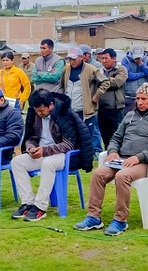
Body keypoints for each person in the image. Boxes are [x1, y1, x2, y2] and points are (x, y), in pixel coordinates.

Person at [74, 83, 148, 235]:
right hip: (121, 159)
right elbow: (116, 138)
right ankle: (93, 217)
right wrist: (113, 151)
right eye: (138, 98)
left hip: (145, 162)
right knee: (98, 174)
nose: (139, 102)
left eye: (144, 99)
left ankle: (120, 220)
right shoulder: (129, 115)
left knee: (122, 176)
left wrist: (139, 157)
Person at [10, 88, 93, 221]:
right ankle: (28, 202)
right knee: (16, 162)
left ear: (51, 105)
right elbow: (30, 137)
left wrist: (45, 151)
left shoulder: (65, 114)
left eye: (41, 110)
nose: (38, 113)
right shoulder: (35, 113)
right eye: (36, 110)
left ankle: (40, 207)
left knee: (47, 163)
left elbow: (68, 144)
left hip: (64, 155)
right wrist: (31, 147)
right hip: (41, 152)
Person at [60, 47, 108, 159]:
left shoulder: (91, 69)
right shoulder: (66, 70)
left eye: (74, 59)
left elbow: (105, 82)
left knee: (88, 134)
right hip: (70, 109)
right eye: (69, 59)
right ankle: (75, 155)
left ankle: (90, 155)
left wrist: (96, 96)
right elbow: (62, 86)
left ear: (81, 58)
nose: (71, 61)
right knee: (71, 134)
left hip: (85, 109)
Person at [96, 48, 128, 149]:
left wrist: (102, 81)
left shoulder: (121, 69)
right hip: (102, 109)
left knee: (117, 136)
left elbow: (117, 83)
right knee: (105, 137)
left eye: (106, 58)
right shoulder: (99, 71)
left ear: (113, 58)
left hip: (116, 108)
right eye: (102, 58)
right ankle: (107, 158)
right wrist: (109, 80)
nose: (104, 61)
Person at [121, 45, 148, 115]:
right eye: (136, 57)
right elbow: (128, 76)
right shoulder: (125, 60)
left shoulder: (147, 60)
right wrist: (143, 73)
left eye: (139, 56)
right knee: (129, 119)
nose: (137, 58)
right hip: (129, 96)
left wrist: (142, 65)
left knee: (144, 119)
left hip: (144, 95)